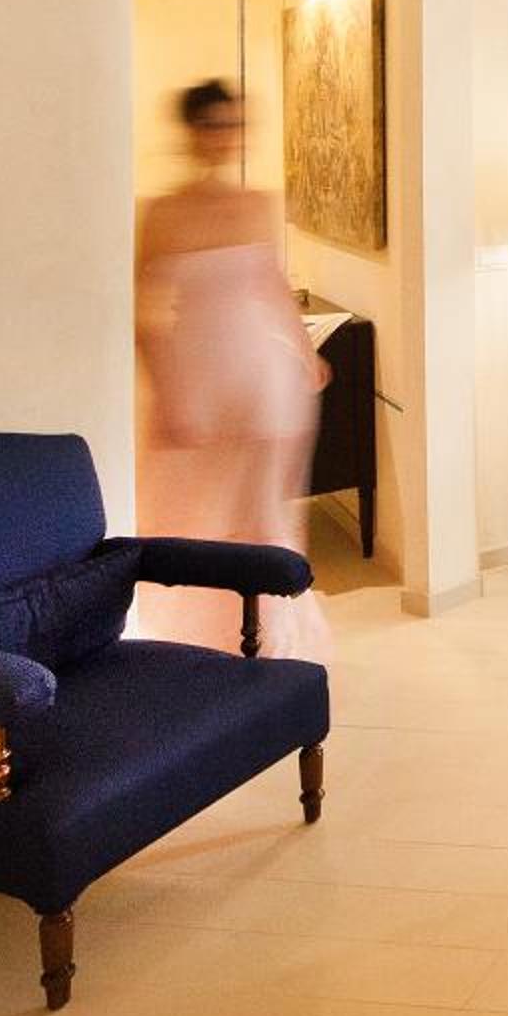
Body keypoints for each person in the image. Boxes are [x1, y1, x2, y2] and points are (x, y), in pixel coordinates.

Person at [133, 79, 329, 658]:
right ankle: (191, 645)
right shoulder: (162, 213)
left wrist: (307, 353)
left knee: (262, 514)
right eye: (212, 125)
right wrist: (167, 394)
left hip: (262, 377)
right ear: (191, 132)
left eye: (233, 125)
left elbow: (273, 285)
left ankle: (268, 641)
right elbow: (143, 316)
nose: (224, 137)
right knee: (189, 517)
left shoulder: (258, 204)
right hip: (196, 381)